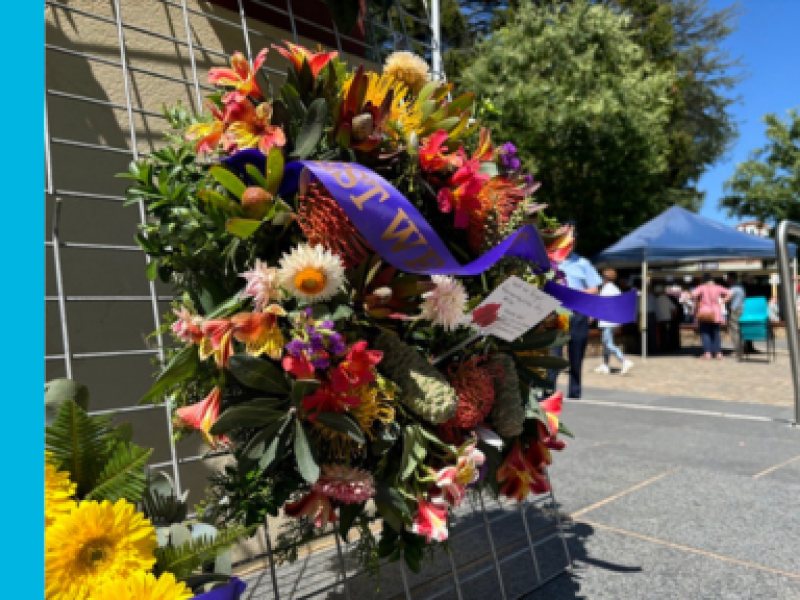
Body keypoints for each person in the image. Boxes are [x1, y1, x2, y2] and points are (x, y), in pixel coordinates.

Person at [550, 224, 601, 399]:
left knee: (576, 355)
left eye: (572, 239)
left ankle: (575, 392)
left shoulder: (583, 263)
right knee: (553, 355)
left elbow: (594, 289)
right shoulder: (550, 262)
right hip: (556, 314)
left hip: (577, 314)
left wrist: (573, 293)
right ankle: (548, 391)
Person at [594, 270, 634, 375]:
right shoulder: (616, 289)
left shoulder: (606, 290)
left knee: (608, 343)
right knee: (607, 342)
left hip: (607, 321)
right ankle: (605, 365)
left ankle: (624, 360)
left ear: (605, 278)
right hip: (613, 321)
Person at [692, 273, 731, 360]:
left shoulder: (701, 287)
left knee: (705, 333)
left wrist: (698, 302)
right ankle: (718, 353)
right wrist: (722, 301)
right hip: (716, 311)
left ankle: (707, 353)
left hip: (705, 312)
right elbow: (729, 293)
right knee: (716, 333)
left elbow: (693, 294)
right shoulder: (718, 287)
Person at [726, 272, 746, 359]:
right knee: (740, 330)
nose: (727, 280)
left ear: (731, 278)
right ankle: (741, 349)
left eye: (728, 278)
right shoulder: (741, 286)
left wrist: (720, 301)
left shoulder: (733, 287)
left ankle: (738, 351)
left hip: (735, 309)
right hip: (742, 309)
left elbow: (728, 298)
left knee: (734, 330)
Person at [654, 285, 675, 353]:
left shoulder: (655, 299)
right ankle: (668, 347)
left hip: (658, 320)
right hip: (667, 319)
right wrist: (673, 317)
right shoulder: (666, 299)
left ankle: (661, 347)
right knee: (667, 334)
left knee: (660, 335)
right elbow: (674, 309)